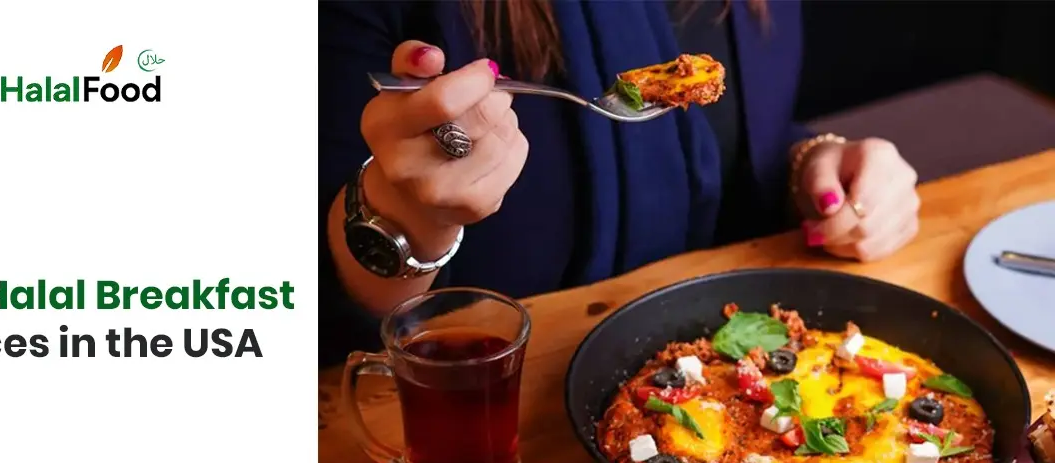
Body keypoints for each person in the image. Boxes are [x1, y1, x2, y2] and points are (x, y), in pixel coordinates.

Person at [319, 0, 921, 367]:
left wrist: (813, 165)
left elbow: (732, 140)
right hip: (493, 415)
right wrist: (404, 219)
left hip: (736, 356)